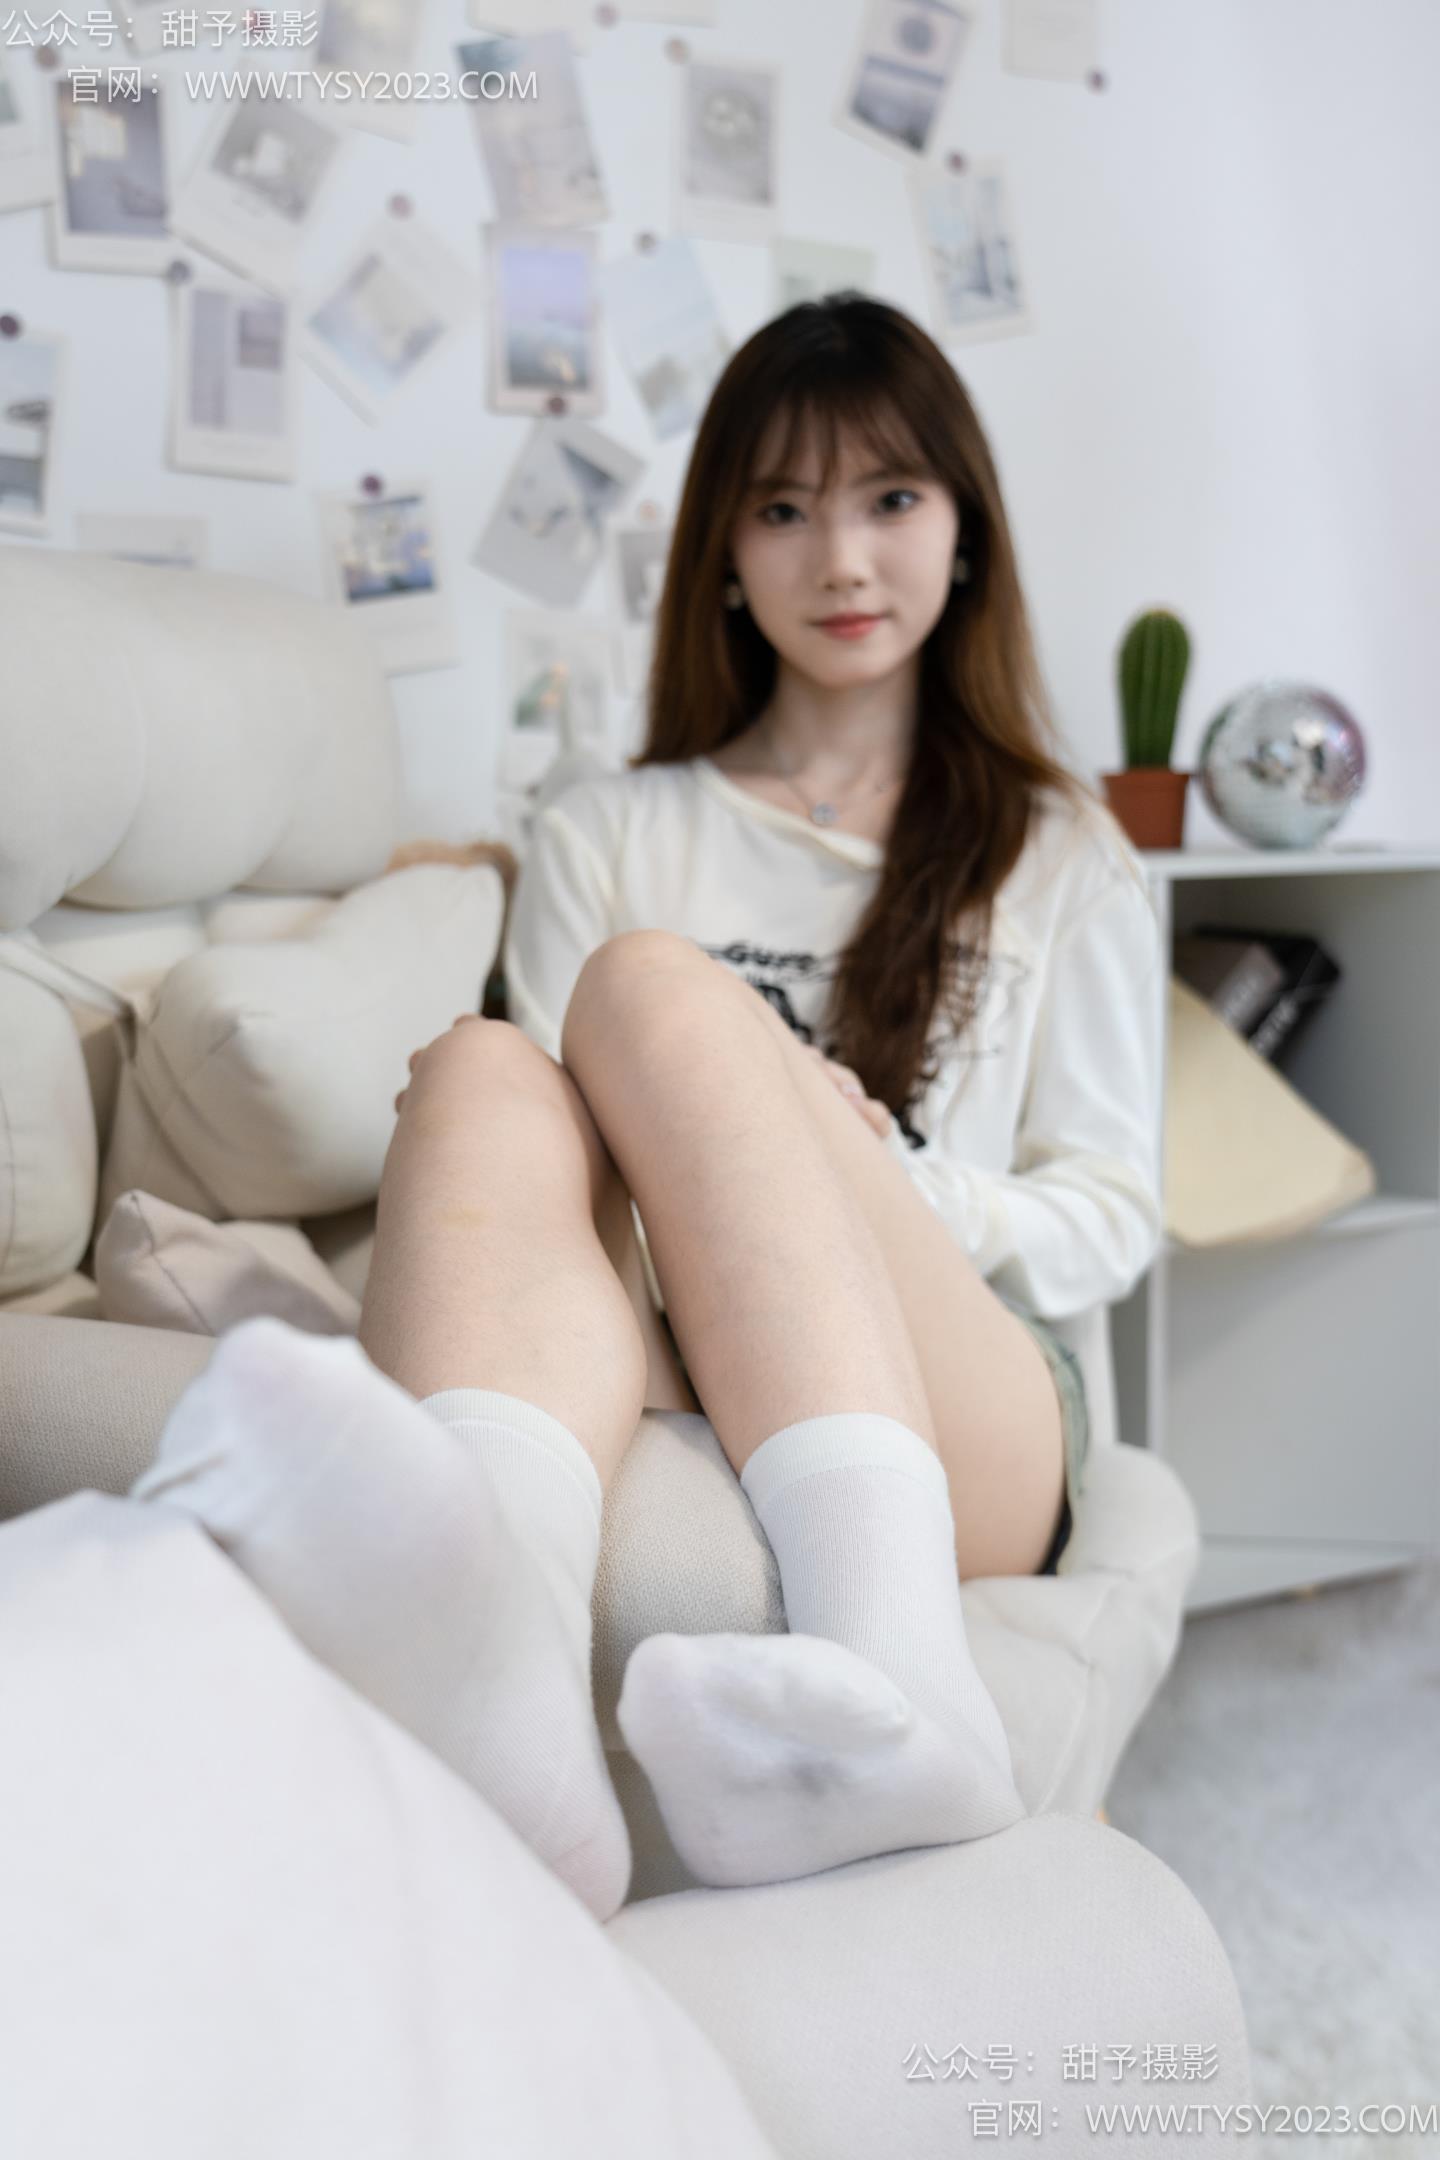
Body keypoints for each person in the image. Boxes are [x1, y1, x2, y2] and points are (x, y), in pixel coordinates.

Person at [130, 293, 1162, 1932]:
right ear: (724, 557)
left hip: (967, 1384)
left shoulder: (1061, 851)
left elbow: (1110, 1215)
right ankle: (506, 1701)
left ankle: (915, 1682)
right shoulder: (610, 826)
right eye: (783, 509)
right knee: (482, 1071)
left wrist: (866, 1163)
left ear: (965, 530)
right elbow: (562, 1183)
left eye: (892, 498)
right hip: (678, 1331)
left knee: (649, 992)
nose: (842, 558)